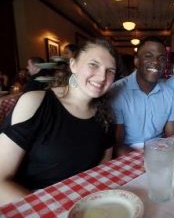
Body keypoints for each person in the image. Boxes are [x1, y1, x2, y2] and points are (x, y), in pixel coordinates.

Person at [0, 38, 118, 205]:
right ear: (73, 65)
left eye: (110, 71)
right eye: (93, 64)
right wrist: (56, 211)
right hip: (32, 205)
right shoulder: (35, 103)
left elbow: (102, 167)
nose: (102, 76)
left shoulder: (105, 115)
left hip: (84, 204)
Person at [110, 36, 174, 156]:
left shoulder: (170, 94)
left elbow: (172, 139)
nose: (156, 62)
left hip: (159, 151)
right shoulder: (117, 91)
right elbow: (117, 145)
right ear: (136, 61)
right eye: (148, 56)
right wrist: (147, 159)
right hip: (127, 156)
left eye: (161, 58)